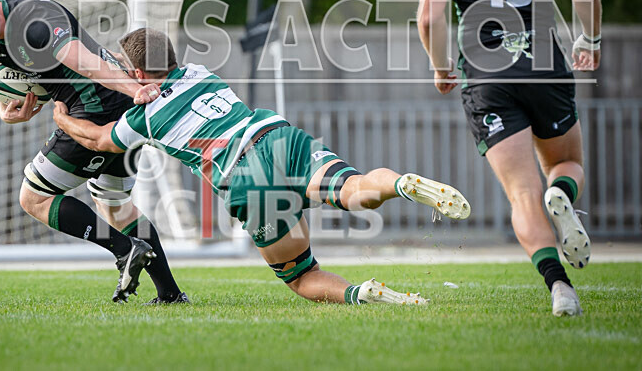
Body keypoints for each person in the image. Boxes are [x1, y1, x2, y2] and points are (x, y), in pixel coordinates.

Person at [52, 28, 472, 305]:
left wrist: (61, 116)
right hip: (276, 136)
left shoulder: (142, 116)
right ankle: (400, 184)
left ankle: (362, 293)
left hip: (244, 178)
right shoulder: (200, 71)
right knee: (356, 188)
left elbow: (97, 139)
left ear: (138, 73)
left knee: (303, 275)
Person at [0, 0, 187, 303]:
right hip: (114, 109)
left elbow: (89, 64)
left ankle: (125, 249)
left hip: (98, 109)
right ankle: (170, 294)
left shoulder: (34, 25)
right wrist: (2, 107)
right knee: (115, 206)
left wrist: (137, 91)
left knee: (34, 197)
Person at [416, 0, 601, 316]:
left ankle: (560, 288)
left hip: (486, 74)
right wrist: (591, 39)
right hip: (542, 61)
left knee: (522, 193)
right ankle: (564, 196)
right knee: (568, 163)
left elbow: (430, 16)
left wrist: (441, 67)